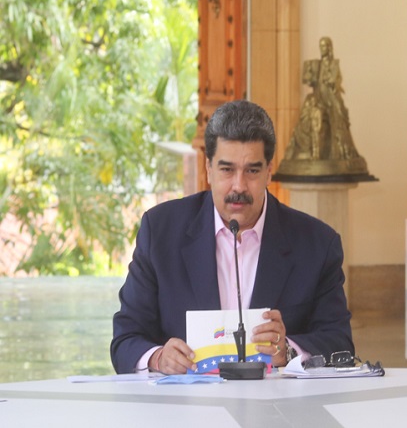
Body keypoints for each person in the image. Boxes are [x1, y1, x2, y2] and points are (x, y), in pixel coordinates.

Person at [111, 100, 353, 375]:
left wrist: (288, 351)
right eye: (227, 170)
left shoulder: (317, 244)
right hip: (186, 401)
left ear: (269, 171)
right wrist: (158, 358)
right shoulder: (161, 231)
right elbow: (125, 339)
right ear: (208, 169)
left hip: (275, 401)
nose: (239, 186)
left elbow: (339, 343)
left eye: (252, 171)